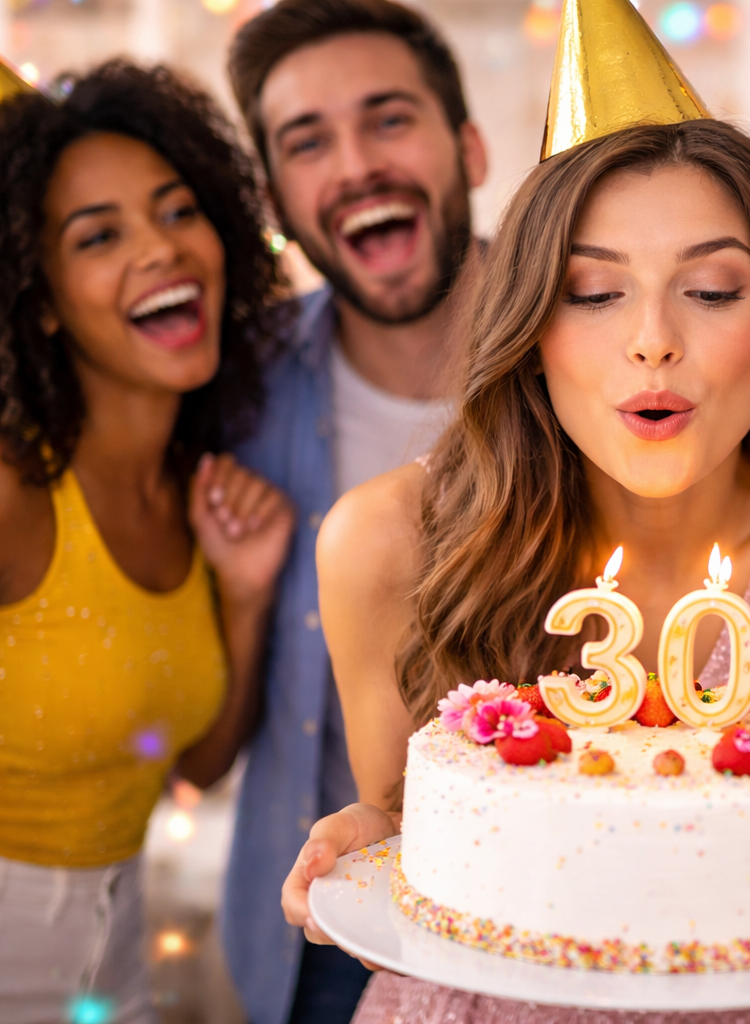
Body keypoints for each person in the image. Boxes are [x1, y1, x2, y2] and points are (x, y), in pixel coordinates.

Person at [279, 1, 750, 1021]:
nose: (653, 342)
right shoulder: (385, 545)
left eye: (711, 291)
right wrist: (375, 832)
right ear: (532, 326)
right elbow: (432, 866)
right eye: (593, 293)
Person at [0, 62, 293, 1024]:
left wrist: (245, 600)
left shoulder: (196, 488)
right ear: (38, 296)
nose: (162, 251)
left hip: (115, 973)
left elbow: (187, 768)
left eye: (177, 212)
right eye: (99, 236)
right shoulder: (12, 491)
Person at [217, 1, 488, 1022]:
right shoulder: (236, 386)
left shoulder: (599, 352)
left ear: (468, 146)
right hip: (320, 930)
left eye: (388, 119)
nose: (357, 164)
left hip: (558, 920)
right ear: (280, 193)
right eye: (307, 142)